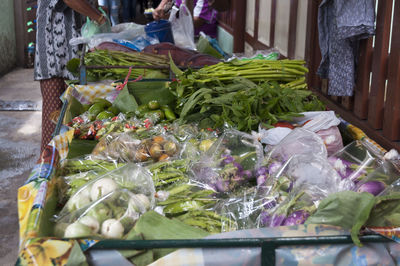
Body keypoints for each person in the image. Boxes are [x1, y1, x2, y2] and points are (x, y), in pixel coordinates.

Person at [35, 0, 110, 153]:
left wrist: (95, 8)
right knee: (54, 114)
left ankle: (67, 161)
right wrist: (98, 17)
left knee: (73, 111)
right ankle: (47, 168)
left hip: (75, 40)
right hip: (54, 44)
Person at [153, 0, 218, 38]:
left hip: (199, 38)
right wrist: (160, 7)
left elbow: (196, 23)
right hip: (181, 35)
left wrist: (174, 15)